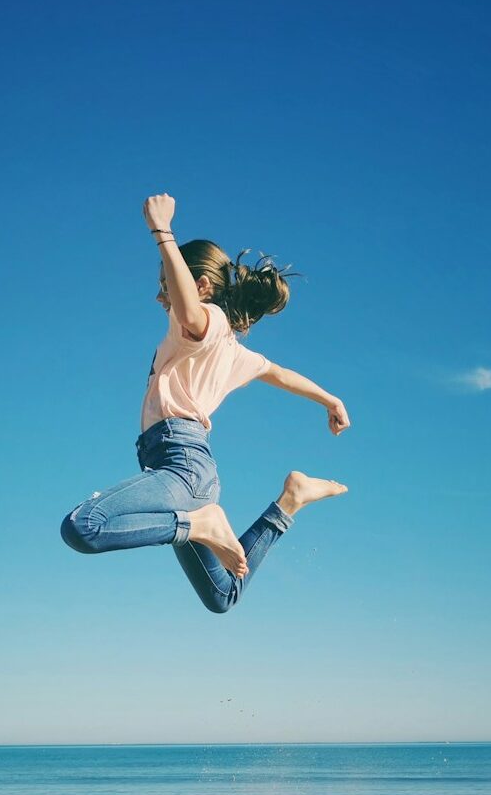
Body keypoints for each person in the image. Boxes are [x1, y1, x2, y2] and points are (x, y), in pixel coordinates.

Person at [60, 193, 349, 613]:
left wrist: (163, 233)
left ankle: (202, 524)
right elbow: (280, 374)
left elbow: (192, 313)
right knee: (223, 595)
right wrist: (330, 399)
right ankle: (289, 502)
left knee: (83, 527)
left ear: (202, 287)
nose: (161, 298)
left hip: (182, 462)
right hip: (187, 471)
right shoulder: (233, 351)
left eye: (166, 286)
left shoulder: (205, 322)